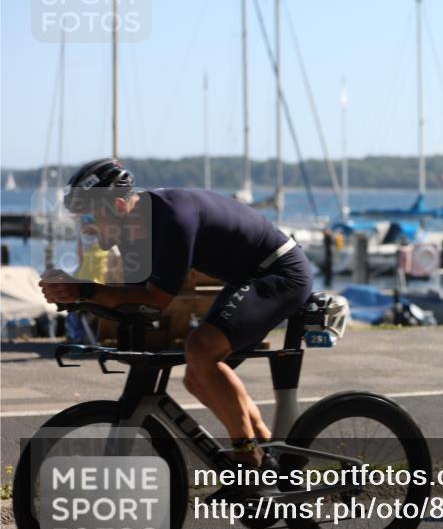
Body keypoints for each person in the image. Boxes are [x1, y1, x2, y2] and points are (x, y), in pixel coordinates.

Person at [40, 158, 313, 495]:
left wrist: (84, 290)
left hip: (280, 273)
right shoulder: (132, 230)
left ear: (120, 206)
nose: (86, 228)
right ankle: (269, 459)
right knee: (198, 378)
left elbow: (155, 300)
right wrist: (75, 297)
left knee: (201, 350)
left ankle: (249, 460)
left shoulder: (170, 219)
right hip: (249, 276)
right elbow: (131, 300)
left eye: (89, 217)